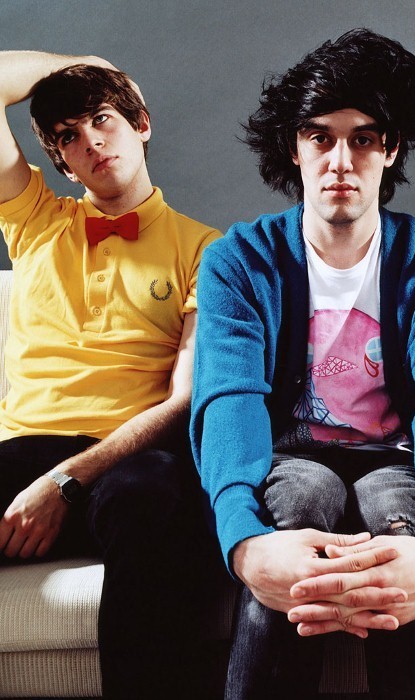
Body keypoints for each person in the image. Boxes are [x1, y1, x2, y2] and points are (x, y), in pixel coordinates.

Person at [191, 29, 415, 699]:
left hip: (398, 461)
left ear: (392, 149)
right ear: (293, 147)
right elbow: (229, 402)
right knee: (300, 499)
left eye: (364, 139)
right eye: (320, 137)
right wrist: (246, 543)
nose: (340, 162)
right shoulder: (239, 261)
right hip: (290, 457)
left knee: (394, 523)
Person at [0, 52, 223, 699]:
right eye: (69, 135)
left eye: (103, 118)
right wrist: (85, 64)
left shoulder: (206, 248)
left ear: (141, 124)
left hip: (126, 457)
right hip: (23, 452)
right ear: (63, 163)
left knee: (152, 496)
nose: (92, 141)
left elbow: (186, 399)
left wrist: (66, 481)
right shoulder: (34, 220)